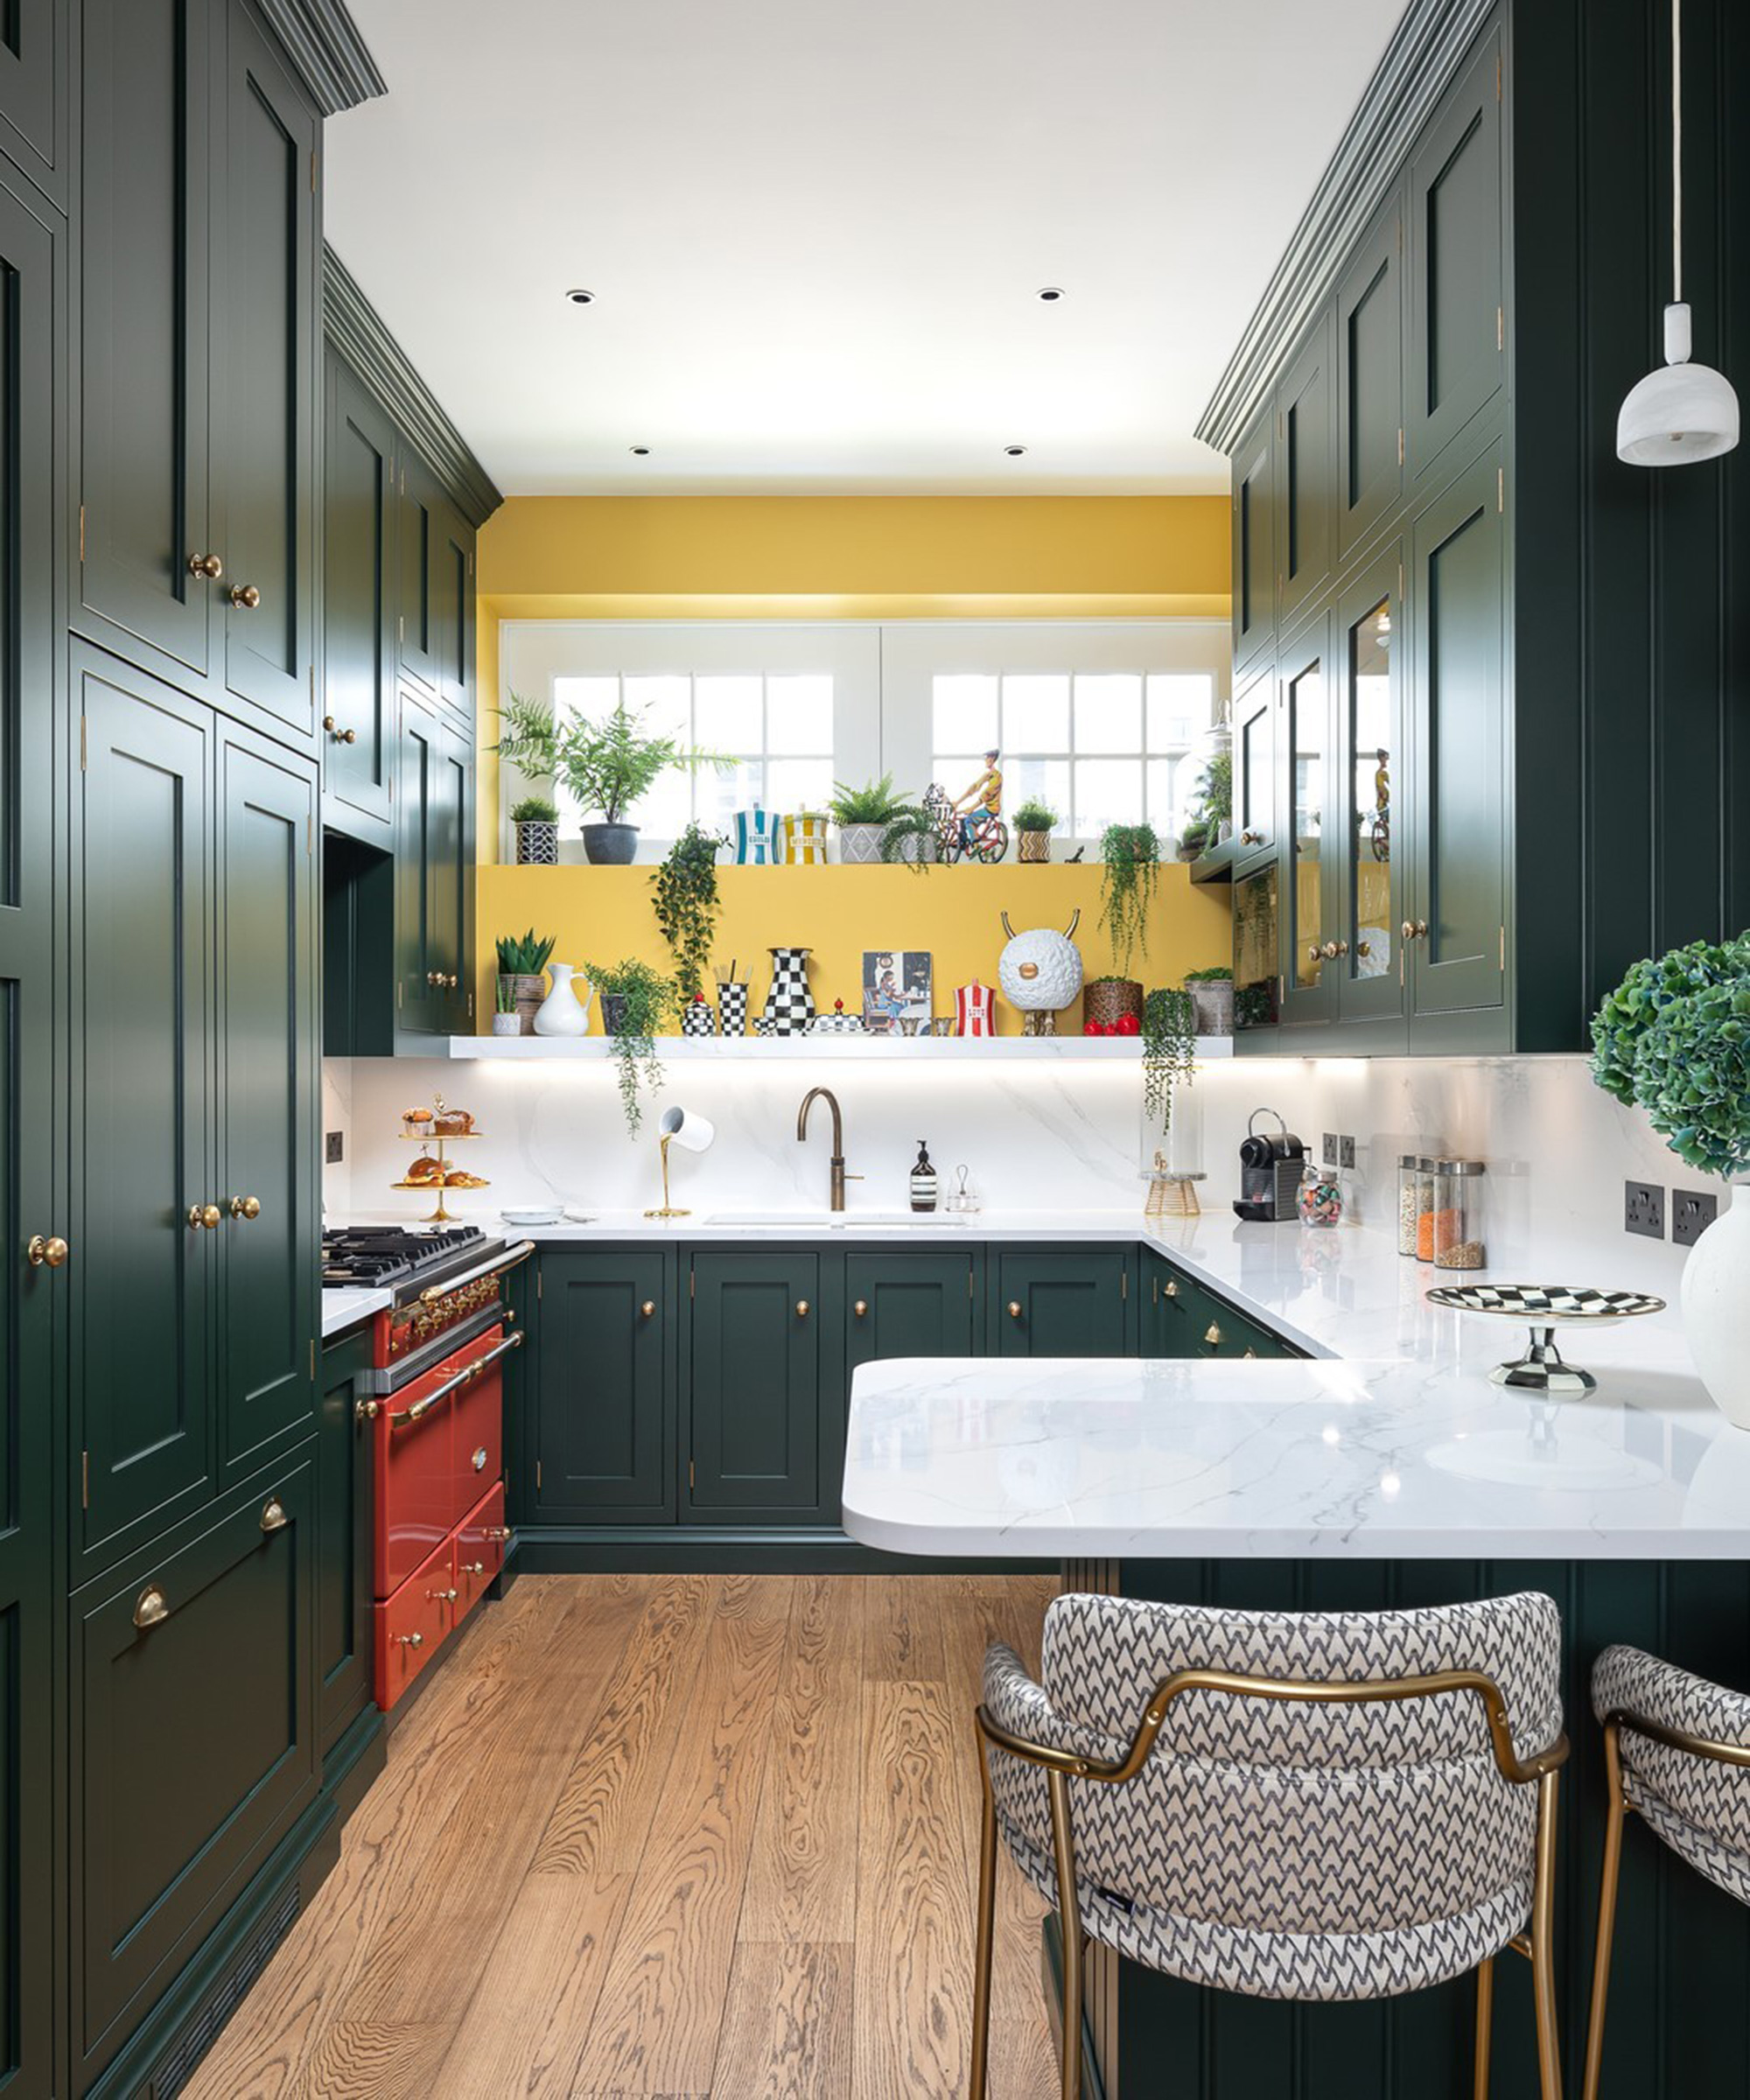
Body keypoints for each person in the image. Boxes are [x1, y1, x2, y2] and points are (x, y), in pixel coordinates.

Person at [952, 750, 1003, 850]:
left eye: (987, 758)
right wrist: (957, 802)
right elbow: (974, 788)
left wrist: (971, 808)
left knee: (968, 820)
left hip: (992, 809)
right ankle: (967, 841)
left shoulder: (997, 777)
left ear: (992, 759)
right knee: (963, 819)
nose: (985, 760)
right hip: (987, 807)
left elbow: (986, 795)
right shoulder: (988, 775)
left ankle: (975, 846)